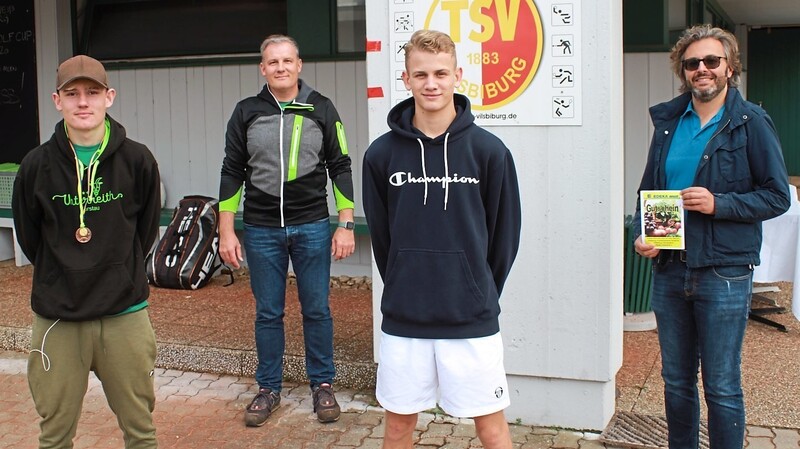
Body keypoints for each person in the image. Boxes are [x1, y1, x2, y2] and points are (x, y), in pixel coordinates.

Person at [362, 30, 522, 449]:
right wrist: (403, 278)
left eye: (439, 73)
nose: (430, 83)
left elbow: (504, 237)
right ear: (406, 79)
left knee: (491, 429)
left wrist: (477, 288)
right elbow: (382, 237)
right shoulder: (380, 155)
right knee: (397, 427)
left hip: (470, 318)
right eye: (421, 74)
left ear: (457, 76)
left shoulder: (489, 151)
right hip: (405, 318)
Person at [633, 25, 790, 448]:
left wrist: (719, 204)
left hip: (724, 271)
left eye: (711, 61)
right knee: (676, 381)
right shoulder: (668, 123)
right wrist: (643, 234)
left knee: (721, 384)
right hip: (669, 268)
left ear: (729, 67)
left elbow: (777, 197)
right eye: (692, 63)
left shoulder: (751, 122)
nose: (702, 69)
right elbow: (649, 190)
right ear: (682, 71)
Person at [12, 55, 161, 448]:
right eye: (72, 93)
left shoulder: (137, 160)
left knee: (141, 431)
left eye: (92, 93)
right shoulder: (35, 166)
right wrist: (63, 273)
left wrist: (118, 269)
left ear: (109, 97)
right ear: (56, 100)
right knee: (55, 434)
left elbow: (143, 233)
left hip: (124, 312)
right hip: (60, 318)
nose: (83, 102)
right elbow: (30, 237)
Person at [218, 34, 355, 426]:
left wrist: (345, 223)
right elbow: (231, 170)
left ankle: (323, 385)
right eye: (272, 62)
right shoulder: (245, 111)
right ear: (263, 69)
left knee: (316, 309)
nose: (280, 67)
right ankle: (268, 389)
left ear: (299, 65)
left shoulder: (322, 108)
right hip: (261, 229)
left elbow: (341, 165)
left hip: (312, 224)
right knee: (267, 313)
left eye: (287, 61)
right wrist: (226, 231)